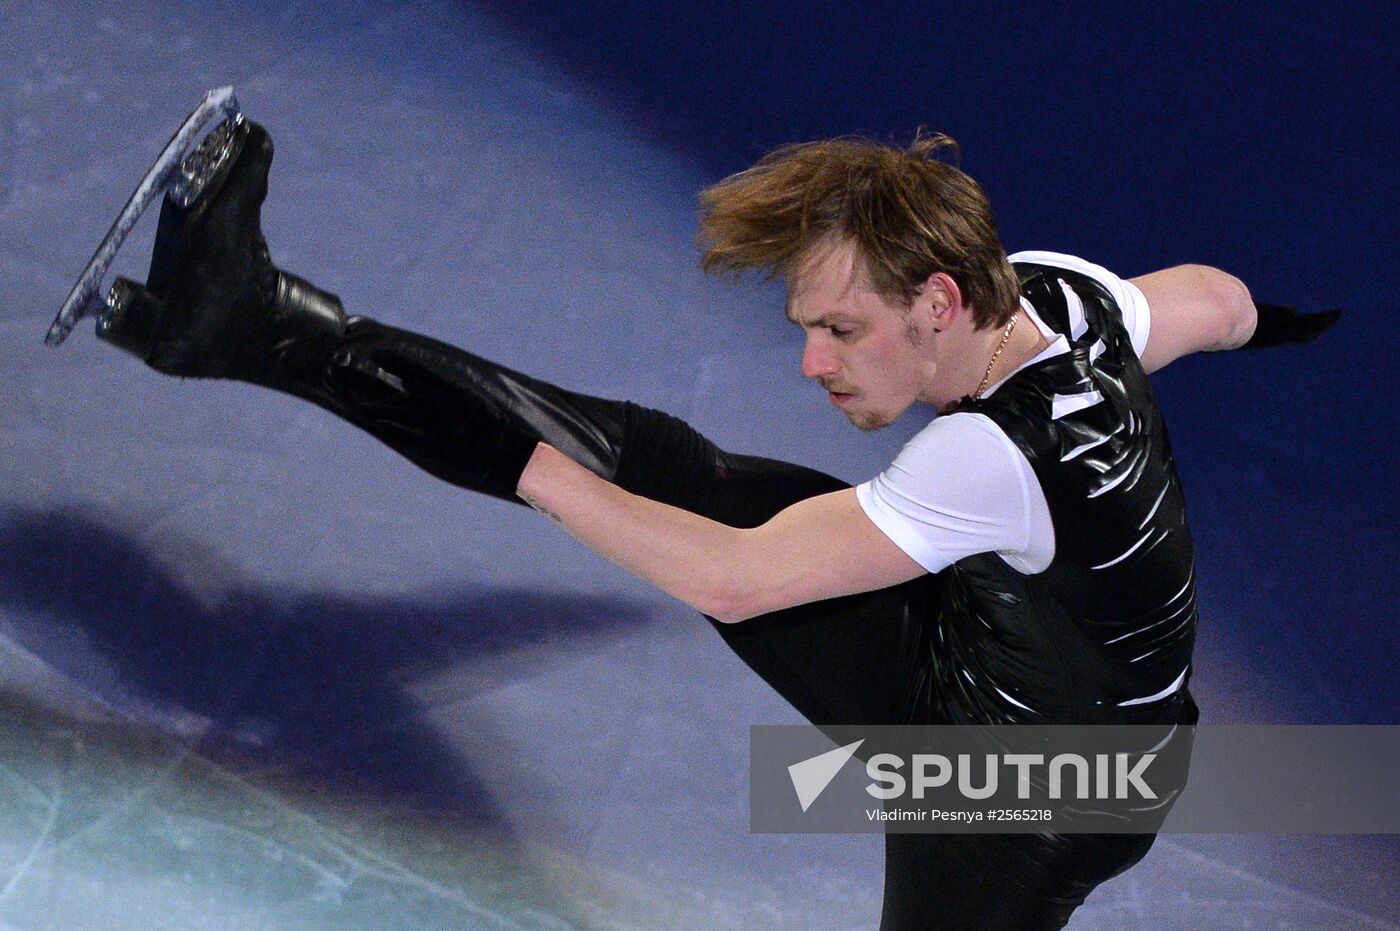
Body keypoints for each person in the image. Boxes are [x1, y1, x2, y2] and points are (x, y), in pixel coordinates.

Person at [93, 121, 1334, 929]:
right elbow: (1211, 302)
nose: (809, 362)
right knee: (655, 460)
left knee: (612, 476)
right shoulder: (1060, 299)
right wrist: (1290, 320)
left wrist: (530, 471)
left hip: (1034, 793)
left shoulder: (983, 458)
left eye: (839, 331)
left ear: (939, 302)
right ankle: (253, 319)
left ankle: (253, 326)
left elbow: (737, 582)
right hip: (1015, 666)